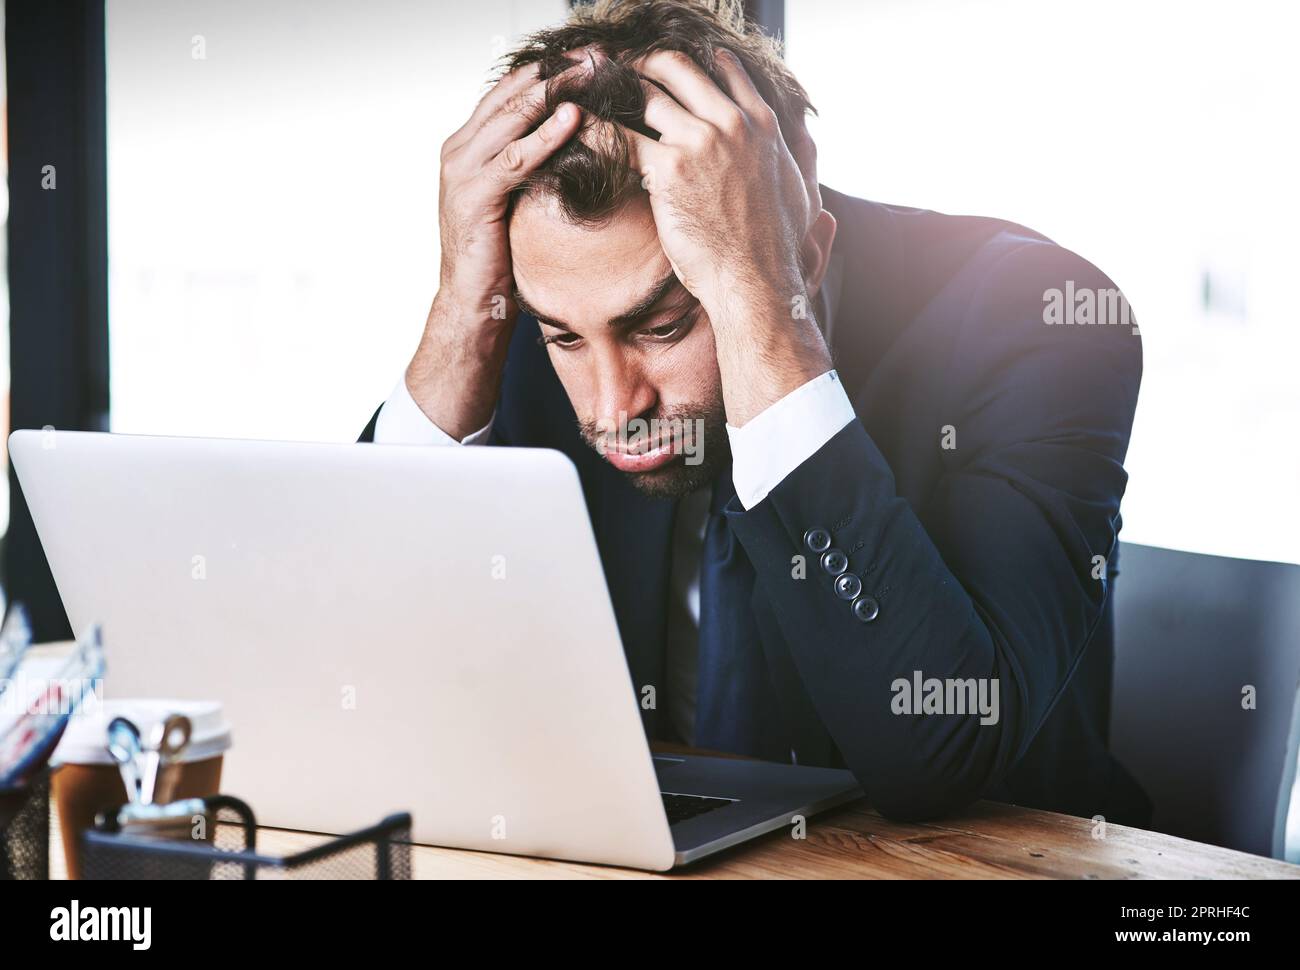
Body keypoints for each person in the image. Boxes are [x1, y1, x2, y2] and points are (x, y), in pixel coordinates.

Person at [361, 0, 1149, 825]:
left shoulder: (1039, 318)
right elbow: (357, 689)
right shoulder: (559, 297)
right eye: (561, 337)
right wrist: (462, 308)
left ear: (809, 256)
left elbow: (938, 753)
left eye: (664, 325)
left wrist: (762, 305)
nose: (613, 405)